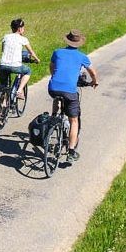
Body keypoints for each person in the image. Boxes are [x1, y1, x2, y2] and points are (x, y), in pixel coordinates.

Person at [48, 29, 99, 163]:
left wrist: (55, 76)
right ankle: (71, 151)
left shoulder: (57, 52)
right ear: (79, 43)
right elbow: (92, 72)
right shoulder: (82, 56)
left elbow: (52, 67)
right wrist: (94, 81)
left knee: (57, 96)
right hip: (70, 91)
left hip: (53, 88)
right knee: (74, 120)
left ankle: (54, 116)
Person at [0, 18, 40, 99]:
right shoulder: (23, 39)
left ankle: (2, 105)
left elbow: (3, 50)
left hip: (2, 65)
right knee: (28, 71)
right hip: (15, 66)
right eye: (23, 28)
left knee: (4, 87)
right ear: (20, 29)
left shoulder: (6, 37)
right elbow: (31, 52)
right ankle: (19, 91)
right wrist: (37, 59)